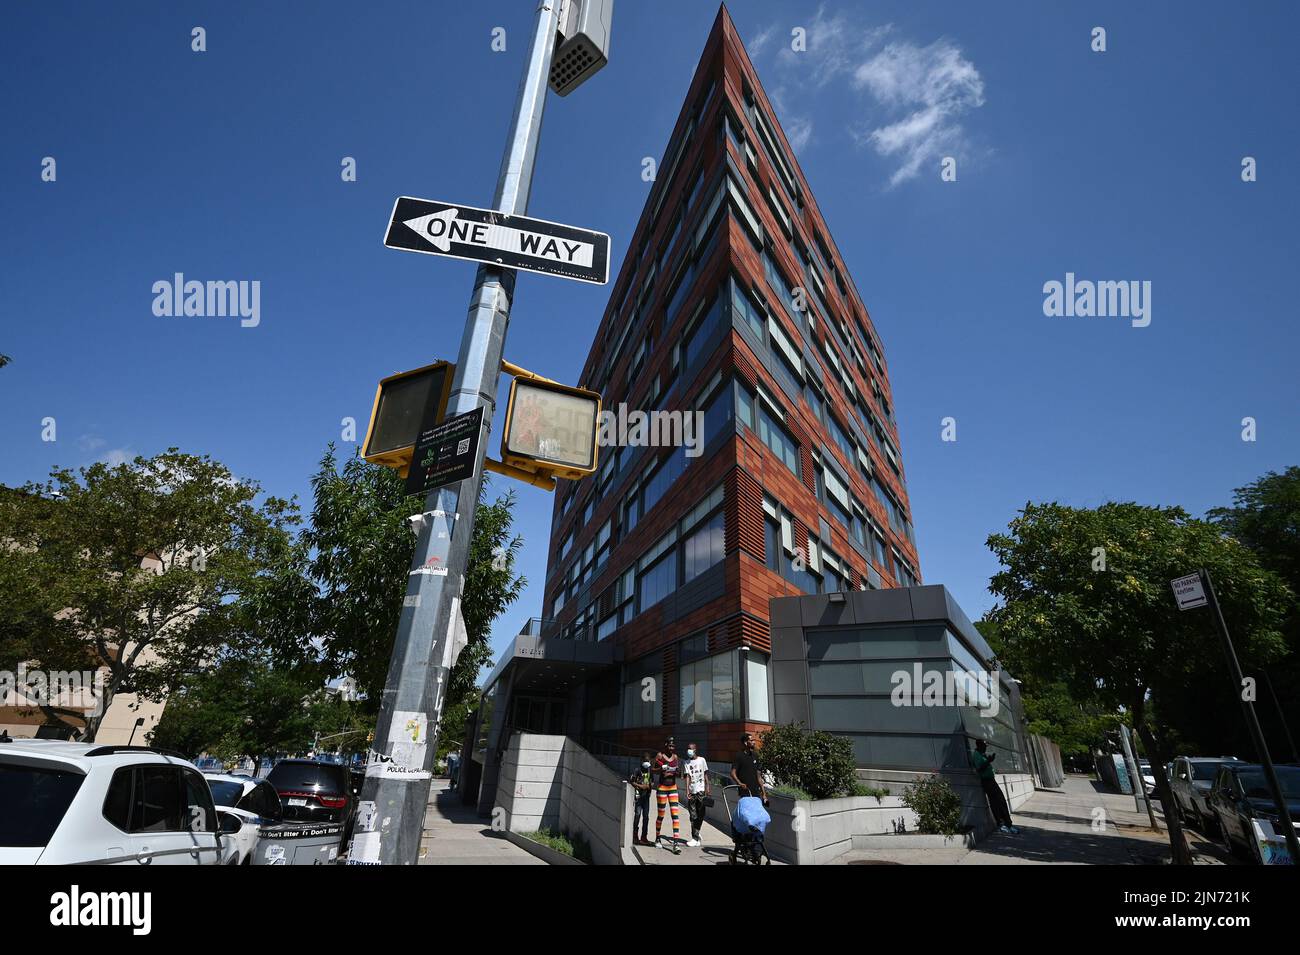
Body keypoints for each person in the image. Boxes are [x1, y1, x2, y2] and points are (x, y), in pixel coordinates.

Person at [972, 739, 1018, 833]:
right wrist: (988, 761)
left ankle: (1007, 824)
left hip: (991, 780)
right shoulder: (976, 755)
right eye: (984, 746)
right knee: (996, 802)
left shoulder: (981, 754)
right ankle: (1002, 824)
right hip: (987, 781)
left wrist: (989, 760)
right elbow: (979, 769)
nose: (985, 748)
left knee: (1000, 801)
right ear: (979, 746)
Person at [654, 740, 682, 850]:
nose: (671, 748)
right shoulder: (660, 756)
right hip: (662, 788)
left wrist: (678, 771)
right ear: (666, 746)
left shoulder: (675, 757)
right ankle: (657, 838)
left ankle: (676, 843)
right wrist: (660, 769)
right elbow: (653, 770)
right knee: (661, 815)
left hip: (673, 788)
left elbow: (678, 774)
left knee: (675, 815)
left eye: (673, 746)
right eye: (670, 745)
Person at [682, 741, 711, 847]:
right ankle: (694, 837)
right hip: (692, 791)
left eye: (690, 748)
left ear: (695, 749)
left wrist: (708, 787)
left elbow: (705, 774)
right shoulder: (686, 762)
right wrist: (687, 791)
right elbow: (687, 777)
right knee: (693, 815)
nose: (688, 750)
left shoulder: (702, 760)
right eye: (688, 748)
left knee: (701, 814)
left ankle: (697, 834)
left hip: (701, 791)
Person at [730, 732, 768, 806]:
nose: (754, 742)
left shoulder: (755, 755)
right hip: (745, 792)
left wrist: (764, 793)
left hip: (756, 793)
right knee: (747, 814)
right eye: (752, 740)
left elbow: (759, 776)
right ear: (745, 742)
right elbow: (732, 773)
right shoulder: (739, 756)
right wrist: (740, 783)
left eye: (754, 740)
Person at [629, 752, 654, 846]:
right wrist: (640, 786)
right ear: (641, 760)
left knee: (646, 817)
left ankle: (644, 837)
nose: (647, 763)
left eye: (648, 761)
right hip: (639, 796)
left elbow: (652, 782)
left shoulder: (649, 770)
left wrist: (649, 786)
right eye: (645, 760)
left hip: (646, 797)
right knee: (638, 815)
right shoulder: (637, 770)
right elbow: (632, 781)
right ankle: (635, 836)